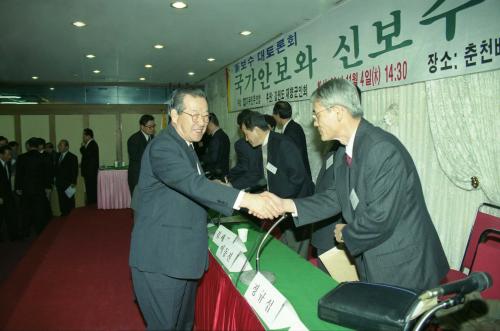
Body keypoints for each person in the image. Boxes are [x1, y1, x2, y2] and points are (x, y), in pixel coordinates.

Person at [271, 78, 449, 291]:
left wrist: (346, 233)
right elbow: (335, 196)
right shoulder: (343, 153)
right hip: (375, 258)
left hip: (404, 266)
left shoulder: (381, 150)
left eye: (317, 114)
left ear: (337, 112)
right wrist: (286, 205)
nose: (315, 122)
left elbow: (380, 219)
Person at [129, 88, 281, 330]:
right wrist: (247, 200)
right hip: (162, 261)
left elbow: (191, 184)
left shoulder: (186, 145)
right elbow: (190, 183)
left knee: (185, 324)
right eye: (194, 115)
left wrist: (217, 186)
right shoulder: (164, 146)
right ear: (174, 115)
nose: (201, 122)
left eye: (206, 116)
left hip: (183, 257)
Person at [241, 111, 314, 258]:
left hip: (297, 206)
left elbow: (298, 178)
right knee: (286, 249)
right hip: (282, 208)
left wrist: (278, 202)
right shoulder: (266, 144)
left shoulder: (283, 143)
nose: (246, 139)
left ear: (255, 130)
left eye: (246, 134)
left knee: (296, 255)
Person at [312, 141, 343, 273]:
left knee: (332, 273)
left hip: (334, 227)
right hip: (322, 222)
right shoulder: (333, 153)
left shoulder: (344, 156)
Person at [15, 137, 51, 236]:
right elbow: (47, 174)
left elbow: (19, 175)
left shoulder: (22, 157)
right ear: (37, 146)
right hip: (39, 189)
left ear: (28, 146)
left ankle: (25, 231)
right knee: (39, 212)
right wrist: (48, 188)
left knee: (25, 211)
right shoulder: (43, 157)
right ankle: (40, 232)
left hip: (26, 189)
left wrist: (18, 188)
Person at [227, 109, 264, 190]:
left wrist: (228, 176)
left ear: (241, 127)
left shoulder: (241, 144)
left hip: (247, 185)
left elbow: (243, 167)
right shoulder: (264, 139)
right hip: (264, 184)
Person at [272, 101, 311, 177]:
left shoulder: (291, 131)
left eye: (274, 114)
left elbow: (293, 159)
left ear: (278, 115)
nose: (273, 116)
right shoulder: (294, 127)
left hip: (297, 177)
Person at [127, 114, 155, 195]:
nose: (152, 129)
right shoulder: (134, 139)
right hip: (138, 176)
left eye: (153, 126)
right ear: (142, 127)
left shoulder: (153, 139)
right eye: (150, 127)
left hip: (151, 177)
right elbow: (137, 158)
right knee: (138, 202)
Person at [201, 112, 230, 180]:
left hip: (216, 174)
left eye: (205, 125)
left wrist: (201, 159)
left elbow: (213, 158)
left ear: (210, 123)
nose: (205, 129)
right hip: (224, 171)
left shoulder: (215, 138)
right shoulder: (224, 135)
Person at [55, 140, 78, 216]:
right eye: (59, 145)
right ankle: (63, 213)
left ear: (67, 147)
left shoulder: (72, 157)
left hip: (68, 183)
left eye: (61, 145)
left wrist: (73, 182)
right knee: (61, 200)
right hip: (59, 182)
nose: (59, 146)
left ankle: (71, 215)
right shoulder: (57, 156)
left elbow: (75, 171)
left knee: (69, 200)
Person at [0, 145, 17, 241]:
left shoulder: (8, 163)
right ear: (1, 154)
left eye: (10, 154)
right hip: (1, 196)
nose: (10, 156)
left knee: (11, 215)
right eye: (8, 154)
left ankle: (13, 236)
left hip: (8, 195)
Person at [80, 128, 99, 205]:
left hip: (90, 172)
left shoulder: (92, 144)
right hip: (89, 171)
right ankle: (91, 202)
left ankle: (92, 203)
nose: (83, 137)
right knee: (89, 188)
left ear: (88, 136)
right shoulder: (90, 144)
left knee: (91, 188)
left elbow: (87, 155)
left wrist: (82, 148)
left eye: (84, 135)